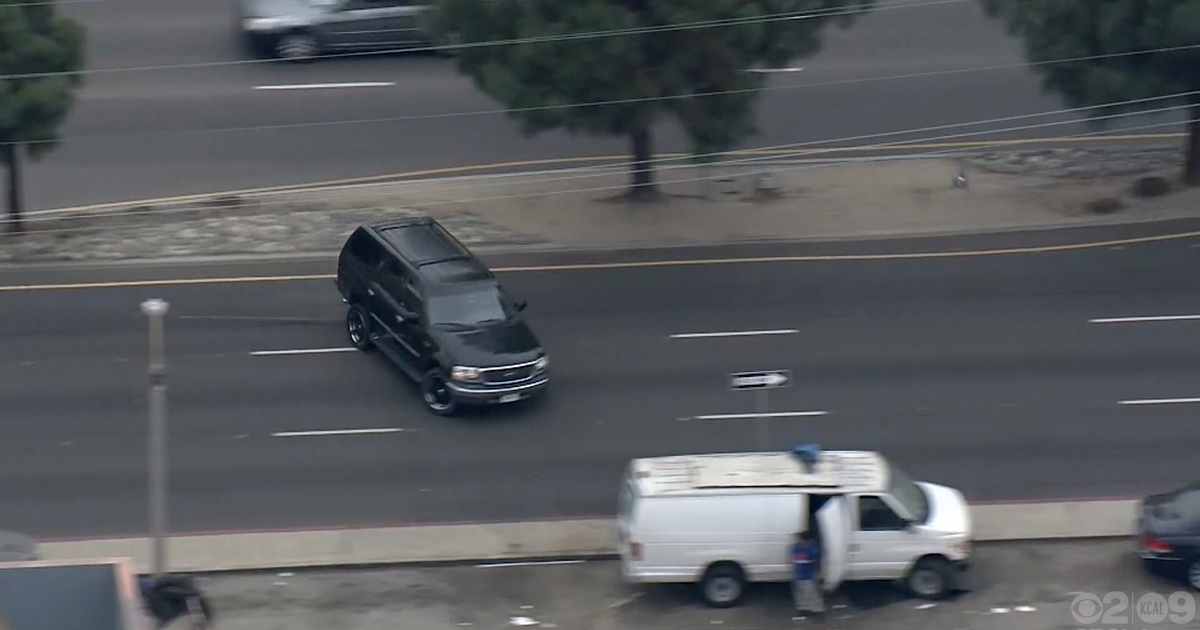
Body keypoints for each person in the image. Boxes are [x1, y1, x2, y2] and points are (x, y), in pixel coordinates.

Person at [791, 530, 824, 617]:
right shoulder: (795, 547)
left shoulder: (812, 549)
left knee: (812, 594)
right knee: (799, 594)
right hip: (798, 575)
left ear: (805, 540)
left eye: (799, 539)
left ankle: (817, 610)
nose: (797, 541)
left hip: (808, 575)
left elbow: (815, 561)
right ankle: (803, 609)